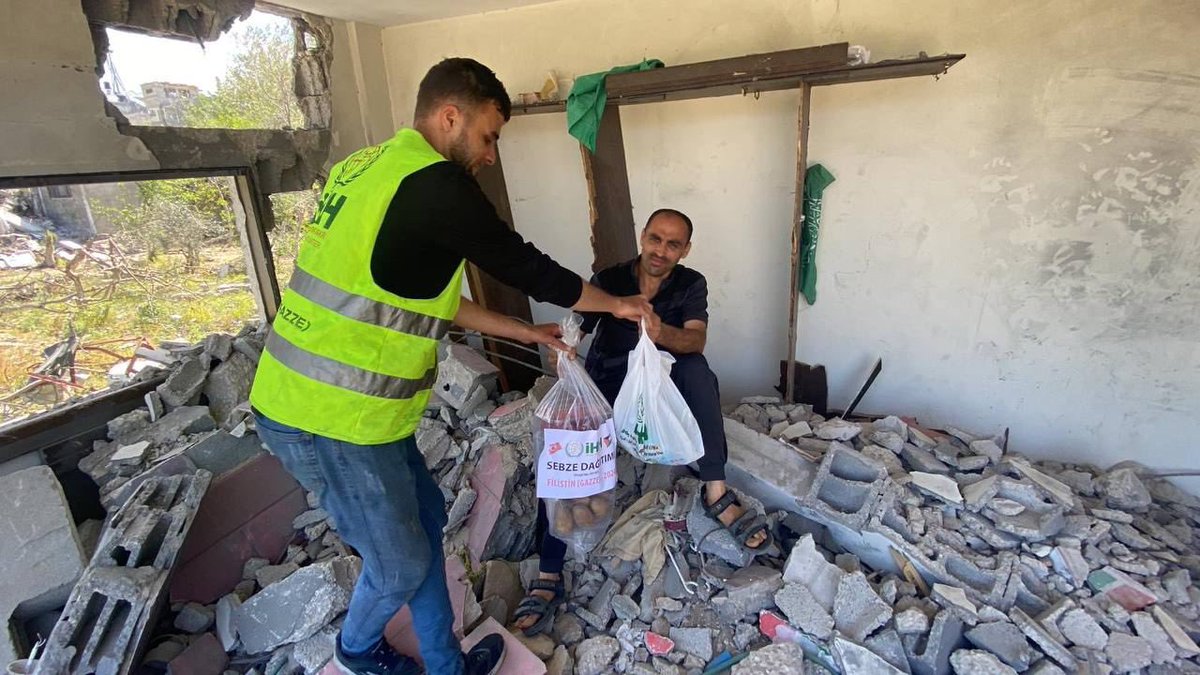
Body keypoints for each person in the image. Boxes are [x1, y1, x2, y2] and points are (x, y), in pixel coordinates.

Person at [248, 58, 651, 675]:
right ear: (450, 116)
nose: (490, 156)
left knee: (430, 520)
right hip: (327, 415)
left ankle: (445, 664)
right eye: (489, 136)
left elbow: (424, 298)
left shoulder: (371, 167)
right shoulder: (435, 183)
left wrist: (524, 329)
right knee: (400, 565)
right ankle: (357, 650)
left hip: (353, 411)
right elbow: (527, 267)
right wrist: (616, 302)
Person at [513, 208, 772, 636]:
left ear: (685, 249)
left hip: (662, 384)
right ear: (643, 236)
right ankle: (549, 570)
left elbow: (695, 338)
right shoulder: (611, 278)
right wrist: (568, 347)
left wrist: (659, 332)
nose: (661, 251)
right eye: (656, 239)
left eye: (673, 244)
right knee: (567, 444)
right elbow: (581, 321)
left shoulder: (691, 283)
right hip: (612, 381)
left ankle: (716, 490)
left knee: (698, 371)